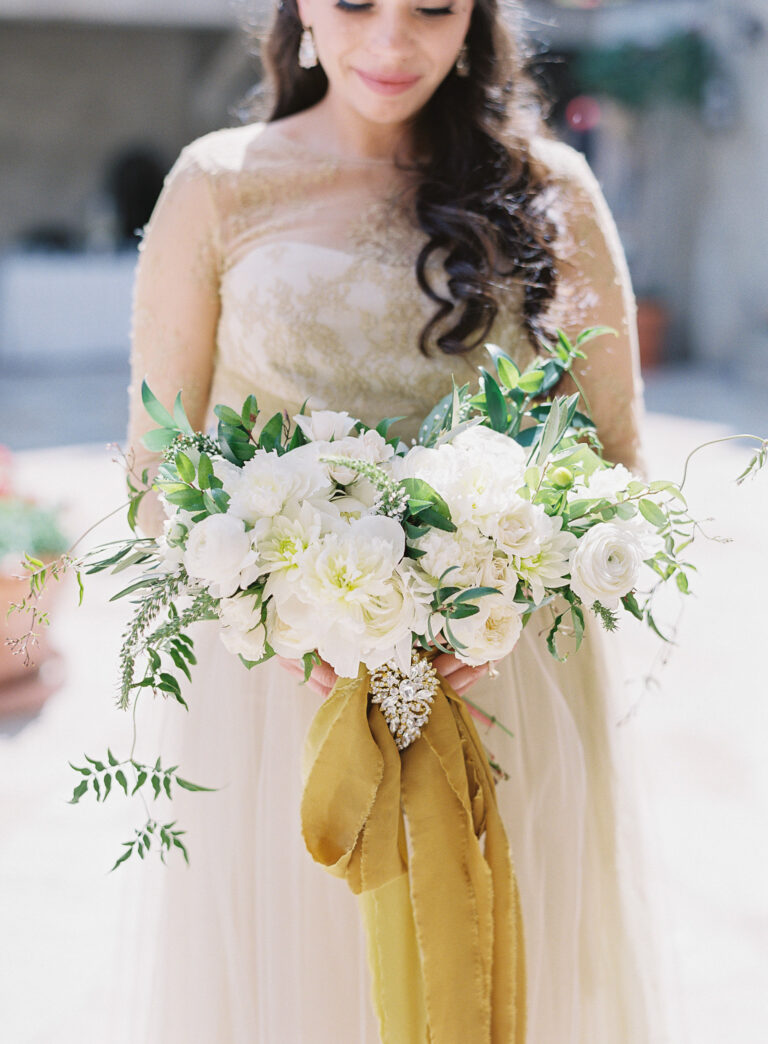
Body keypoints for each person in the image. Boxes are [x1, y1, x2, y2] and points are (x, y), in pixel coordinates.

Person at [121, 0, 666, 1040]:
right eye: (357, 2)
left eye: (432, 7)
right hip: (290, 689)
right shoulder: (219, 185)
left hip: (504, 679)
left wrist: (500, 590)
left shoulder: (551, 188)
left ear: (476, 17)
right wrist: (280, 613)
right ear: (301, 9)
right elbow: (158, 472)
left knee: (502, 978)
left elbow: (618, 462)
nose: (390, 42)